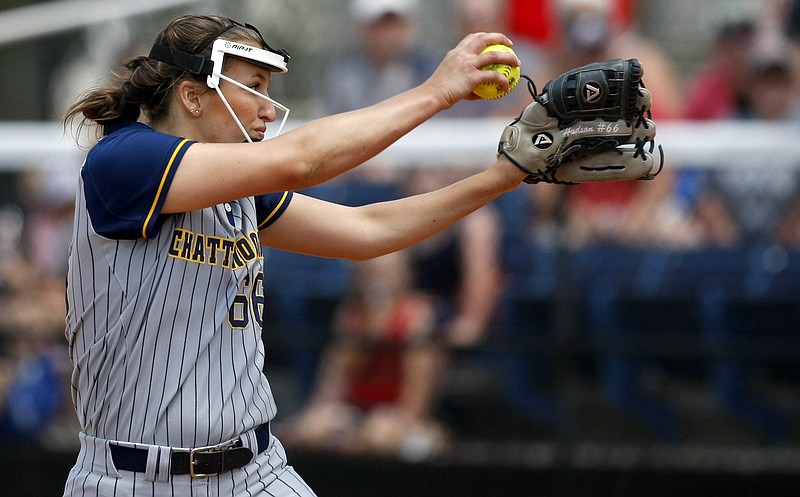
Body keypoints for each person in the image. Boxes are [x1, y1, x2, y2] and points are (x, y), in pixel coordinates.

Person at [61, 13, 524, 497]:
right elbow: (302, 162)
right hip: (135, 479)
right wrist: (437, 92)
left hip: (254, 471)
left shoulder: (238, 189)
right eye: (254, 86)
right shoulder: (123, 160)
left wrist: (503, 176)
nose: (267, 107)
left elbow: (369, 229)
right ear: (192, 96)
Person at [277, 251, 449, 460]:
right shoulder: (352, 314)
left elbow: (419, 388)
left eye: (387, 273)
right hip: (354, 410)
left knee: (380, 434)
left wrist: (404, 421)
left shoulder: (418, 314)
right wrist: (368, 333)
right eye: (372, 273)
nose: (378, 281)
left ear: (405, 276)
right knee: (313, 430)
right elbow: (333, 383)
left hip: (395, 411)